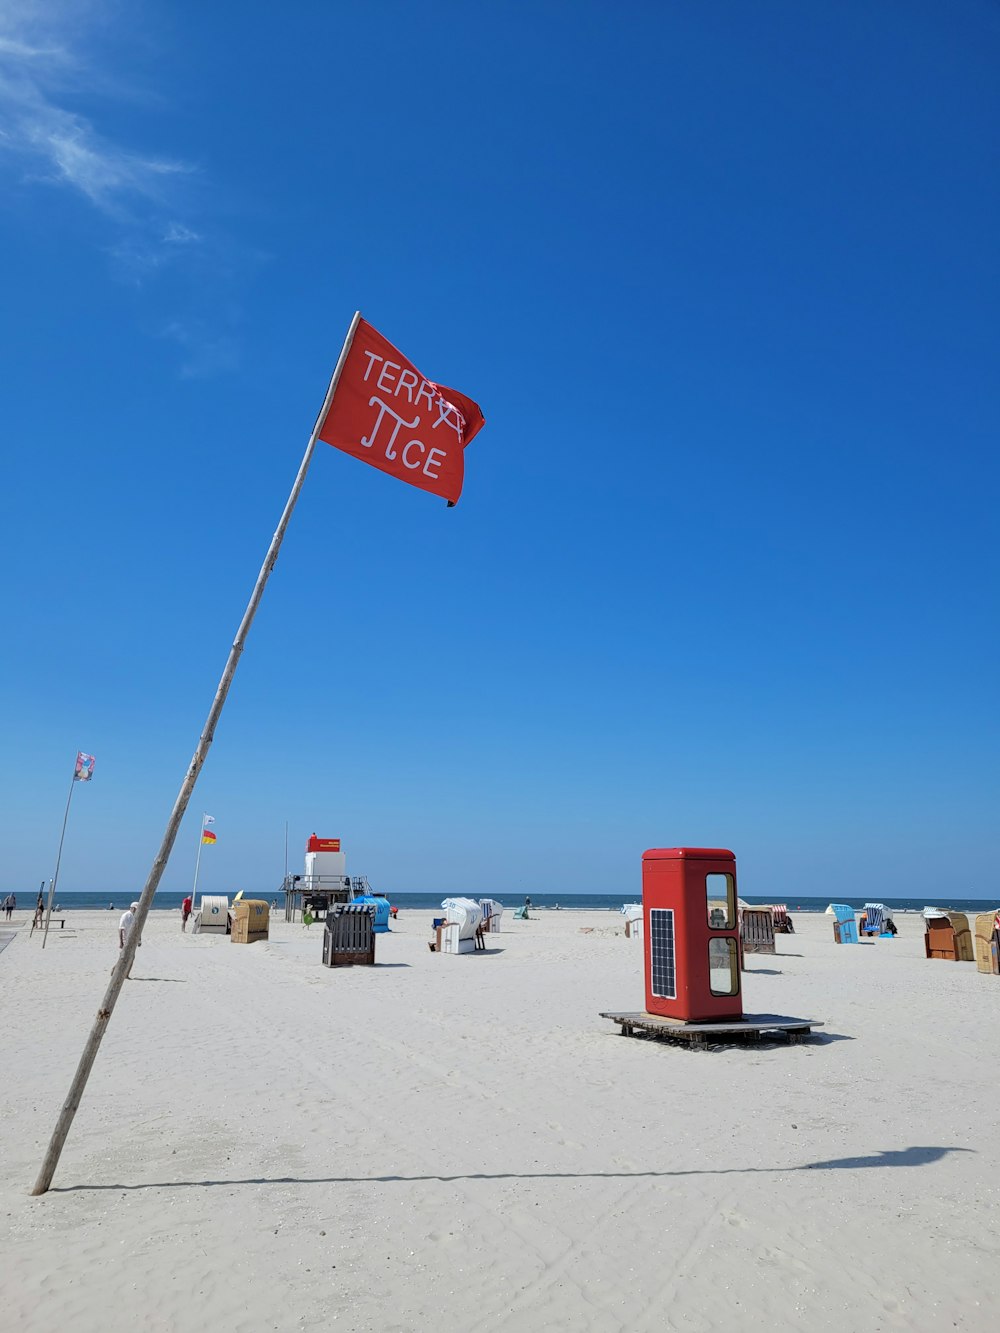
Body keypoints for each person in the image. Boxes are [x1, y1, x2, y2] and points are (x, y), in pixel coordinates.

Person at [117, 901, 141, 977]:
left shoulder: (137, 916)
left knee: (131, 957)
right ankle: (116, 972)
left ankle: (126, 974)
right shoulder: (125, 915)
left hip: (133, 941)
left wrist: (139, 940)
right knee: (123, 957)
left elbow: (138, 929)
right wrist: (121, 942)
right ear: (132, 908)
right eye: (135, 909)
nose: (136, 910)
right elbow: (121, 929)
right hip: (125, 940)